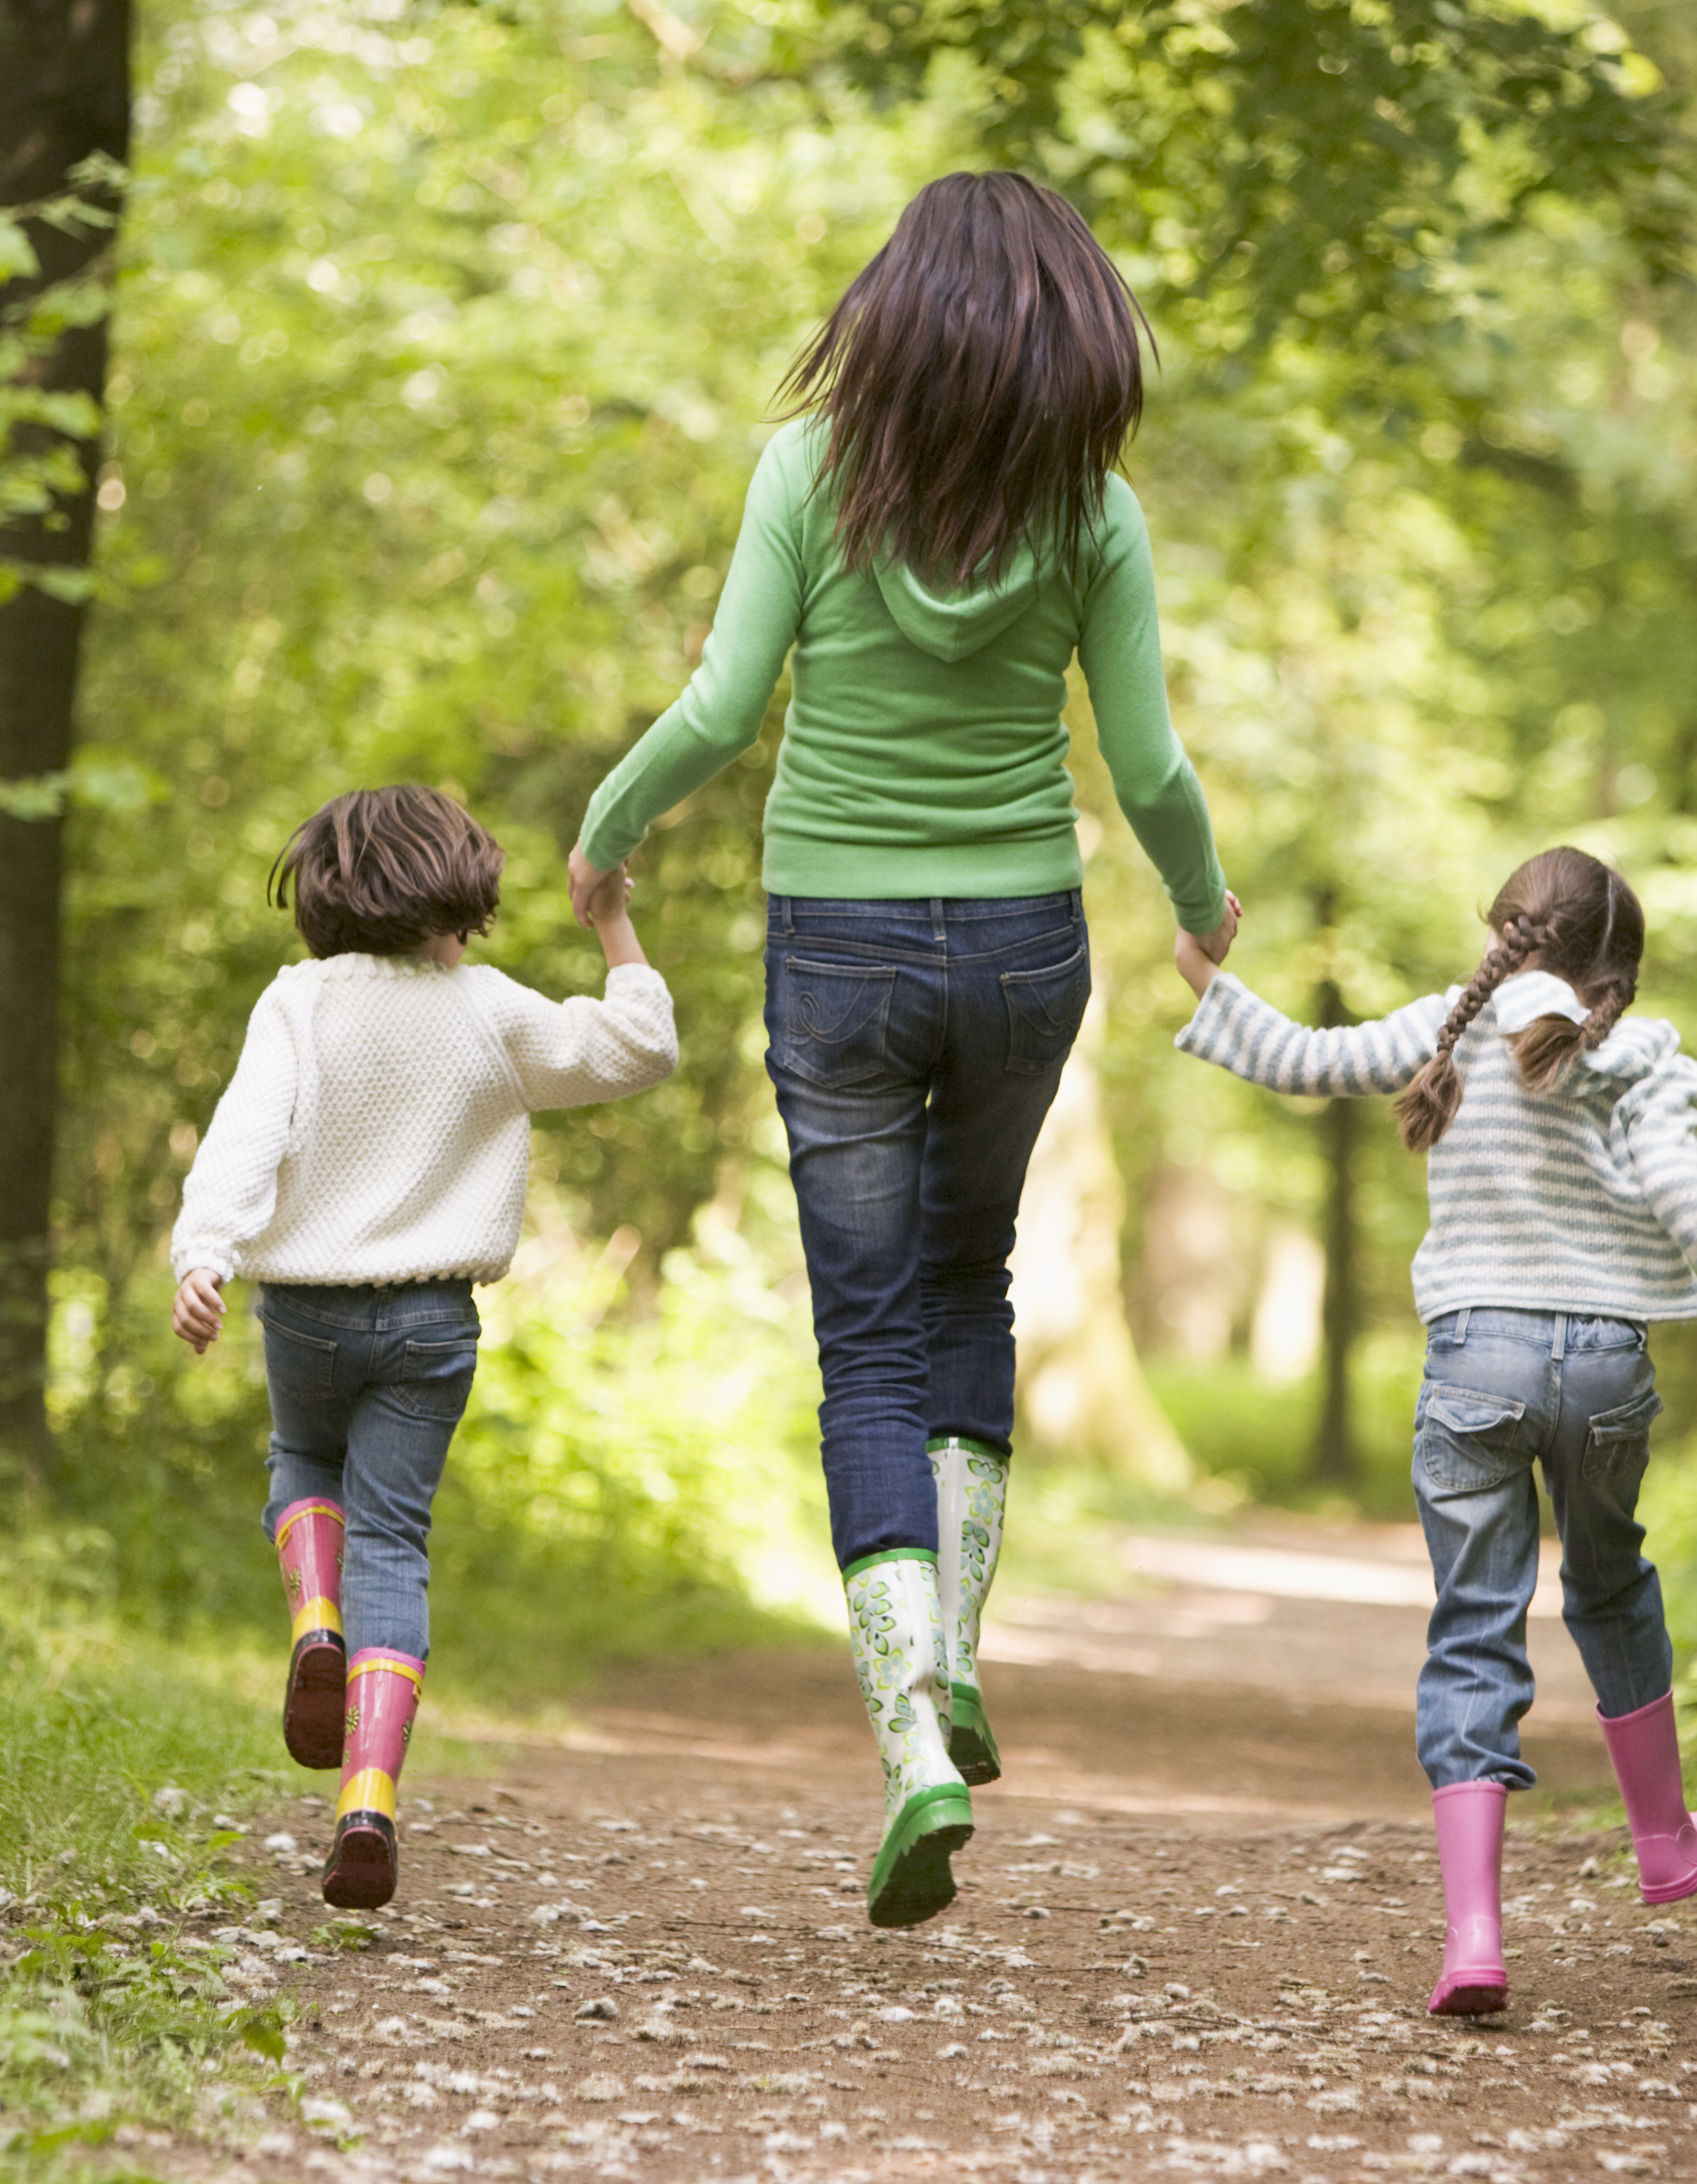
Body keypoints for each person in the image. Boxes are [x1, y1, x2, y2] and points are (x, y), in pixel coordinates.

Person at [566, 171, 1238, 1928]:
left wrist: (606, 830)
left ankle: (915, 1733)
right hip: (1025, 942)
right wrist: (1203, 898)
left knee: (865, 1341)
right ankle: (957, 1649)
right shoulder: (1096, 515)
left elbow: (722, 707)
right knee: (972, 1288)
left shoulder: (809, 476)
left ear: (892, 316)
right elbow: (1152, 767)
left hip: (836, 946)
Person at [1168, 845, 1697, 2015]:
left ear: (1504, 929)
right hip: (1607, 1365)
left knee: (1475, 1624)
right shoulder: (1639, 1055)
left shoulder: (1447, 1026)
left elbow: (1307, 1061)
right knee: (1611, 1586)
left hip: (1476, 1360)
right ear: (1620, 961)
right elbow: (1684, 1194)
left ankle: (1475, 1940)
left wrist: (1202, 973)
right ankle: (1664, 1840)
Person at [169, 786, 677, 1909]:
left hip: (304, 1308)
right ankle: (368, 1803)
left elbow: (246, 1134)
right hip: (433, 1322)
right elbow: (642, 1049)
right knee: (394, 1541)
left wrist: (205, 1252)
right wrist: (609, 922)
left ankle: (314, 1622)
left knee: (303, 1463)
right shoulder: (488, 1008)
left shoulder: (299, 1002)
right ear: (458, 897)